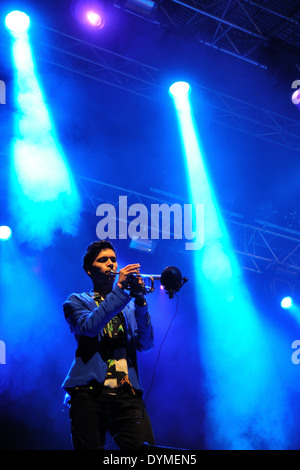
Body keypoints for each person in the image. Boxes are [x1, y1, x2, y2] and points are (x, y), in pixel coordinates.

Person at [62, 240, 155, 450]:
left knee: (149, 455)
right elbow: (90, 327)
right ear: (89, 270)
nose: (111, 264)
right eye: (103, 260)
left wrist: (140, 301)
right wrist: (121, 289)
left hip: (127, 394)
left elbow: (146, 344)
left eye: (113, 259)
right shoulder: (76, 301)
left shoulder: (128, 306)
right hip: (89, 393)